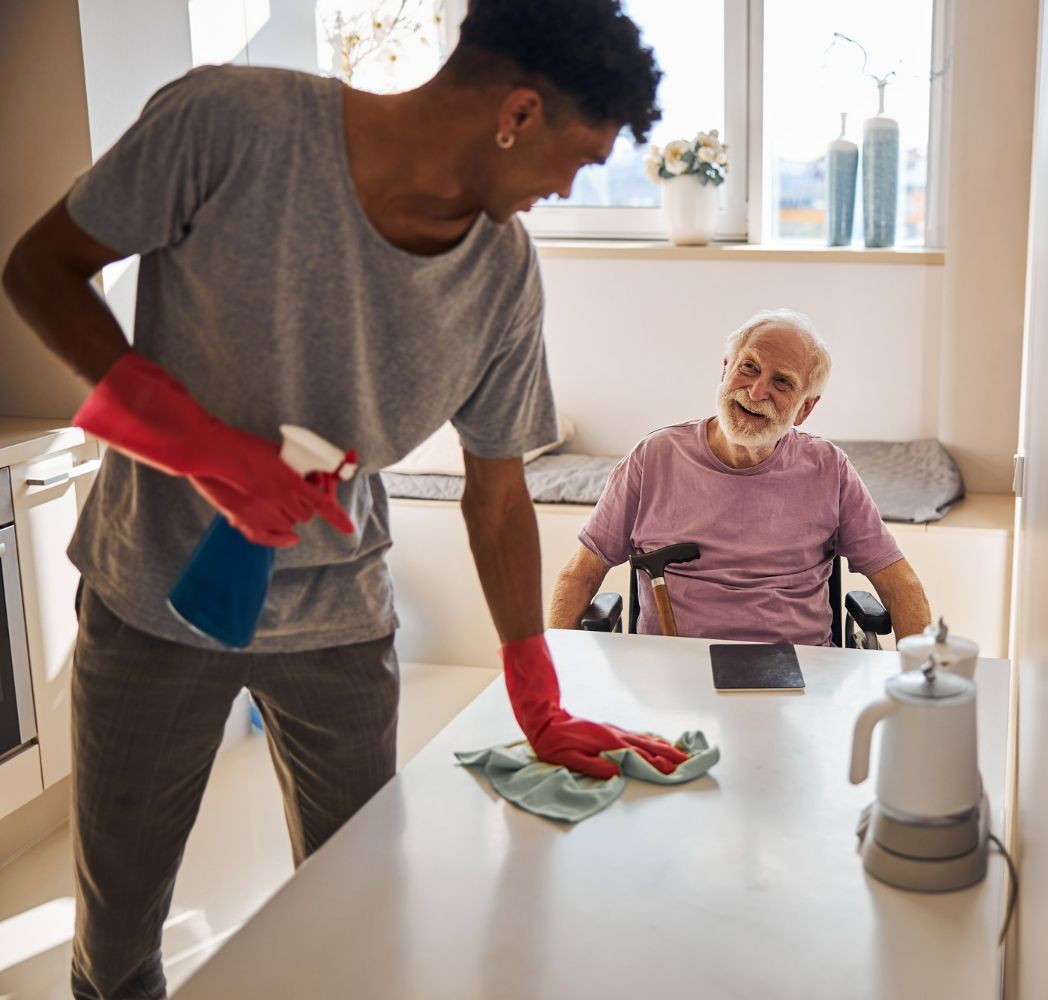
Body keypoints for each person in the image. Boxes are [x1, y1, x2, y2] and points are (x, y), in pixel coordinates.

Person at [1, 2, 689, 997]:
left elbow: (495, 490)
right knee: (116, 954)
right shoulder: (230, 123)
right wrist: (202, 450)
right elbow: (39, 269)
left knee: (362, 924)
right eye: (577, 160)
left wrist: (537, 698)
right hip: (153, 602)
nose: (563, 190)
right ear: (520, 112)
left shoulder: (501, 275)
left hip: (341, 626)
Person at [549, 309, 932, 646]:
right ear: (725, 370)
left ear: (805, 408)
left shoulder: (829, 469)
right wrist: (551, 675)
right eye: (748, 367)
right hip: (673, 675)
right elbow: (580, 575)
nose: (756, 390)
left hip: (799, 677)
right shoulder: (654, 458)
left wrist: (917, 692)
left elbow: (901, 586)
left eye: (782, 382)